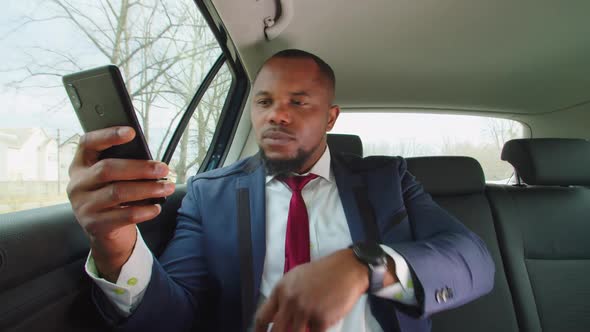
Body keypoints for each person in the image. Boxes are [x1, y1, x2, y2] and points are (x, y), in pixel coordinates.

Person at [67, 49, 494, 332]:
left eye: (298, 102)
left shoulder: (388, 180)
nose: (278, 116)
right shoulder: (209, 195)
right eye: (264, 102)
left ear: (330, 117)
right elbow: (175, 317)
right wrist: (117, 246)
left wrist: (364, 266)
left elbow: (472, 260)